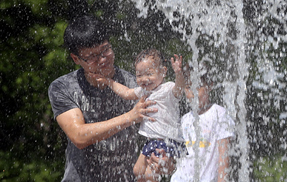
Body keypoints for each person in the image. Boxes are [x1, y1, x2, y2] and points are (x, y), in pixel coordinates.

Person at [48, 15, 161, 181]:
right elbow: (79, 136)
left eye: (105, 50)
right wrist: (130, 117)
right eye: (92, 56)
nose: (102, 59)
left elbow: (159, 128)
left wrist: (161, 159)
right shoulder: (63, 87)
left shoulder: (134, 85)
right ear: (76, 59)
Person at [94, 49, 186, 181]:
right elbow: (126, 93)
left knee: (150, 174)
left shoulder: (167, 89)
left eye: (149, 74)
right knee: (137, 171)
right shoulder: (143, 91)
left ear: (164, 71)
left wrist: (178, 73)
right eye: (139, 75)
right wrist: (109, 82)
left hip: (166, 140)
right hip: (152, 140)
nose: (144, 79)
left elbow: (179, 88)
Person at [170, 61, 235, 182]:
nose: (193, 94)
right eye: (188, 88)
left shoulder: (219, 115)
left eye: (198, 87)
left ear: (210, 86)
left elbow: (224, 158)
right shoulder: (185, 120)